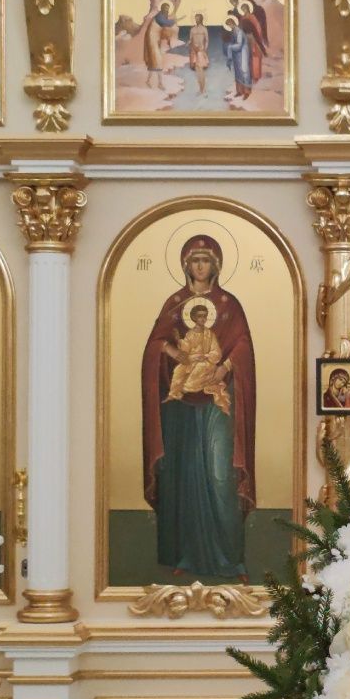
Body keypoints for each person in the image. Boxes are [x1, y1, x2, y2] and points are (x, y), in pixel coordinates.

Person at [141, 235, 255, 583]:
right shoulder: (175, 304)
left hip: (218, 402)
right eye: (195, 260)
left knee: (220, 474)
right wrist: (173, 353)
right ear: (186, 265)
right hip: (181, 406)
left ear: (215, 265)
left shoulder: (229, 305)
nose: (200, 266)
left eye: (206, 260)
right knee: (185, 474)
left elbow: (243, 346)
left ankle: (229, 559)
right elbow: (156, 344)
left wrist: (224, 368)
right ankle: (185, 555)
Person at [164, 301, 231, 413]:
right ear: (194, 318)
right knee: (178, 370)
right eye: (200, 316)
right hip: (192, 361)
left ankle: (185, 389)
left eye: (205, 316)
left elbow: (216, 352)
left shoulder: (209, 334)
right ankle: (174, 393)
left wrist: (206, 356)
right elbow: (185, 350)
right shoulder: (190, 334)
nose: (203, 319)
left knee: (199, 368)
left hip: (207, 363)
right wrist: (178, 340)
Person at [144, 1, 181, 90]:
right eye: (165, 8)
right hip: (152, 38)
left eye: (168, 9)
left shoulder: (162, 16)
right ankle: (159, 83)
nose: (167, 10)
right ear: (162, 8)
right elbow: (165, 23)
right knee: (157, 60)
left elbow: (166, 25)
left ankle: (149, 81)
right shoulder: (159, 16)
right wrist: (174, 21)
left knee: (154, 60)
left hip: (155, 38)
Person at [223, 15, 252, 100]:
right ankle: (240, 91)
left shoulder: (239, 32)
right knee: (238, 73)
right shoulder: (233, 32)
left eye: (229, 24)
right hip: (236, 55)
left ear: (232, 23)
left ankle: (247, 92)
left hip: (243, 53)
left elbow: (239, 45)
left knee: (244, 71)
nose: (229, 26)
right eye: (228, 25)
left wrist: (230, 47)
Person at [188, 14, 209, 95]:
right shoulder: (192, 29)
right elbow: (190, 39)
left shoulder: (204, 29)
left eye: (198, 18)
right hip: (194, 51)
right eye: (195, 18)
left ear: (201, 19)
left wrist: (204, 50)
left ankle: (203, 89)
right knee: (197, 72)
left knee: (201, 71)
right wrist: (188, 43)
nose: (196, 20)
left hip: (200, 51)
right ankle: (200, 89)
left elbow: (207, 40)